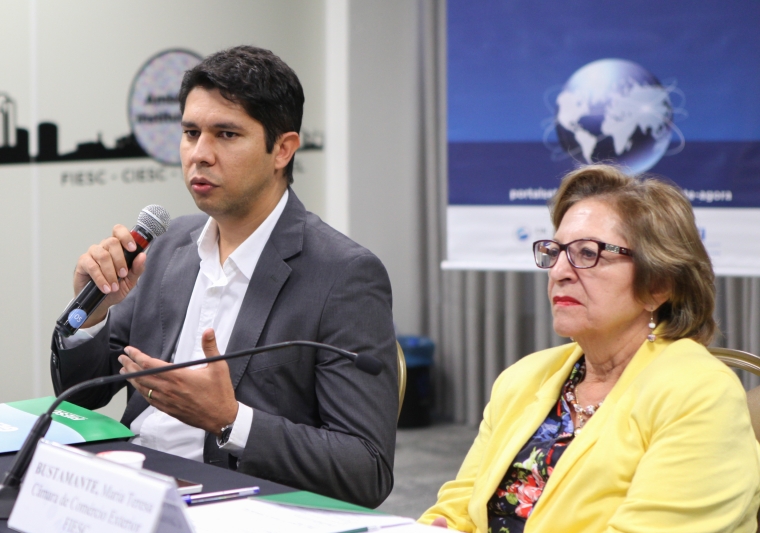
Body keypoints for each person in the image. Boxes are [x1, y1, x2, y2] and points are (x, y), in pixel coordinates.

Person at [50, 46, 398, 508]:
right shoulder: (171, 244)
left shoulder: (345, 275)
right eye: (191, 133)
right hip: (131, 489)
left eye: (226, 134)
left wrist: (230, 420)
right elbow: (82, 392)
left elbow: (366, 470)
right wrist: (90, 311)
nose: (199, 154)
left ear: (283, 149)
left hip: (234, 506)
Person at [420, 165, 760, 531]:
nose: (558, 271)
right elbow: (455, 509)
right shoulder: (524, 377)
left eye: (587, 253)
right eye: (556, 251)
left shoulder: (701, 394)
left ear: (658, 285)